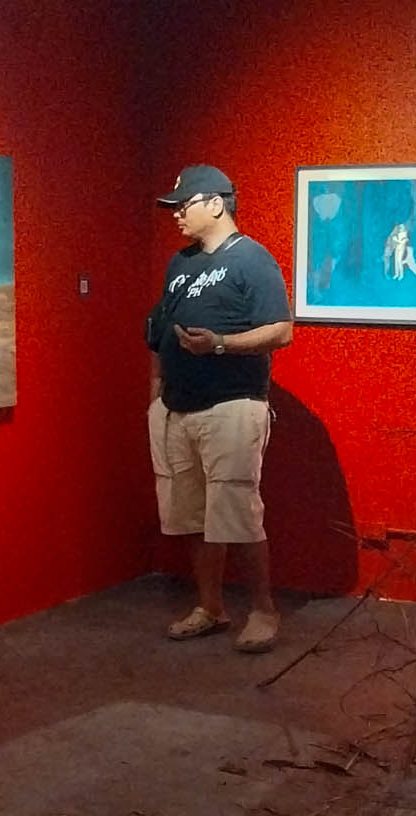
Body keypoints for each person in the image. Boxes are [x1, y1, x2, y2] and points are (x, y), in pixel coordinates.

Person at [147, 165, 293, 653]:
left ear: (215, 203)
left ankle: (263, 610)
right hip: (176, 407)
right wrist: (156, 389)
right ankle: (210, 606)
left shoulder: (253, 260)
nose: (177, 216)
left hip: (232, 405)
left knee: (237, 512)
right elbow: (159, 328)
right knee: (191, 515)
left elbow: (280, 330)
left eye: (184, 206)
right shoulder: (180, 263)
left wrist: (221, 344)